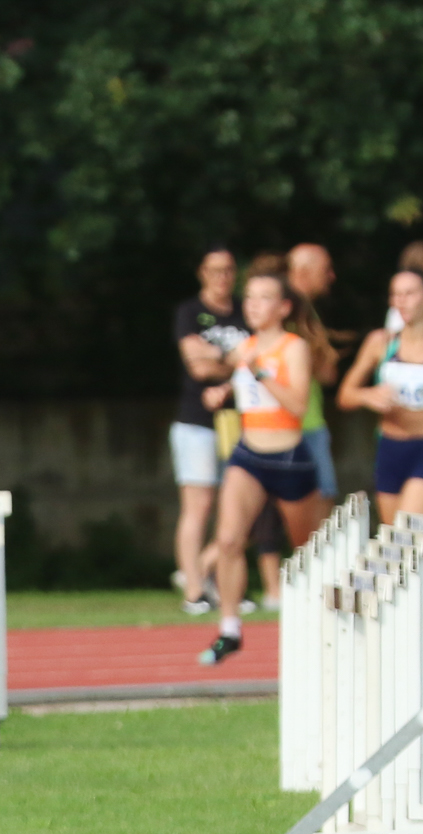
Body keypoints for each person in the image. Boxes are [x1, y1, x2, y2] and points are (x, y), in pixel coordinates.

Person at [197, 268, 332, 666]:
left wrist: (258, 371)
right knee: (228, 540)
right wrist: (223, 391)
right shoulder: (246, 347)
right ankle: (230, 629)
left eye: (264, 298)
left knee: (307, 551)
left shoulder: (294, 347)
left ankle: (321, 624)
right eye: (250, 297)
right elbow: (249, 389)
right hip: (248, 454)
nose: (253, 305)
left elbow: (297, 404)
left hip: (289, 458)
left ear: (284, 307)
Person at [340, 266, 423, 524]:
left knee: (407, 532)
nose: (401, 301)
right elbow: (345, 395)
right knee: (394, 541)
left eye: (409, 293)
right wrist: (367, 395)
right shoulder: (381, 342)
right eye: (395, 294)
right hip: (389, 449)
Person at [171, 248, 244, 614]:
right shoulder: (189, 312)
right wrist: (237, 362)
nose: (222, 277)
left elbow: (259, 359)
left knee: (239, 507)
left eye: (228, 270)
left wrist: (219, 361)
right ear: (202, 272)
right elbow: (197, 368)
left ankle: (207, 573)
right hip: (196, 421)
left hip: (240, 421)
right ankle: (194, 590)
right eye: (215, 270)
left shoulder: (245, 310)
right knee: (198, 506)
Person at [286, 243, 346, 504]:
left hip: (296, 426)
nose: (331, 276)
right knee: (321, 508)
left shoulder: (305, 311)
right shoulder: (295, 312)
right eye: (325, 270)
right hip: (301, 426)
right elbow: (327, 372)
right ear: (302, 272)